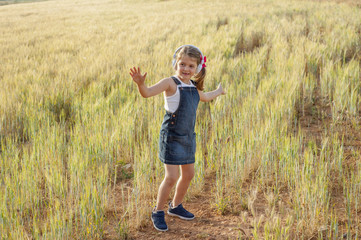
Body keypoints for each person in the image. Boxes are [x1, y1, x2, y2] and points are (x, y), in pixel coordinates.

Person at [129, 45, 225, 232]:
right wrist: (141, 84)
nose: (186, 69)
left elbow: (205, 97)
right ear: (175, 64)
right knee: (171, 177)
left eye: (190, 66)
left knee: (188, 175)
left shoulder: (194, 88)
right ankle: (158, 211)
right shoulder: (170, 83)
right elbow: (147, 93)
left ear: (197, 68)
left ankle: (175, 206)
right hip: (172, 137)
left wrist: (219, 91)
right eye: (182, 64)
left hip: (188, 138)